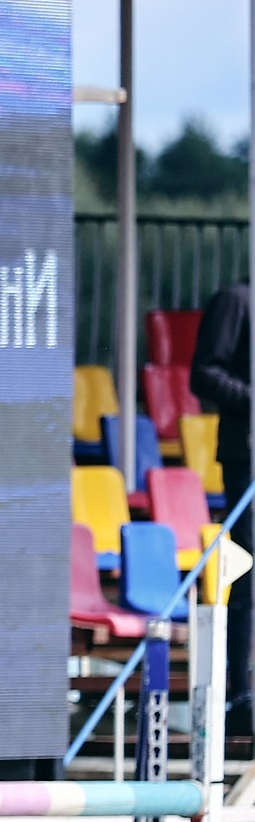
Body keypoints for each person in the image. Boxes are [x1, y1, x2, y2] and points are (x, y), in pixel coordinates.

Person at [190, 280, 251, 727]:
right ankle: (242, 693)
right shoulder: (236, 300)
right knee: (249, 569)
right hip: (247, 453)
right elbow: (203, 374)